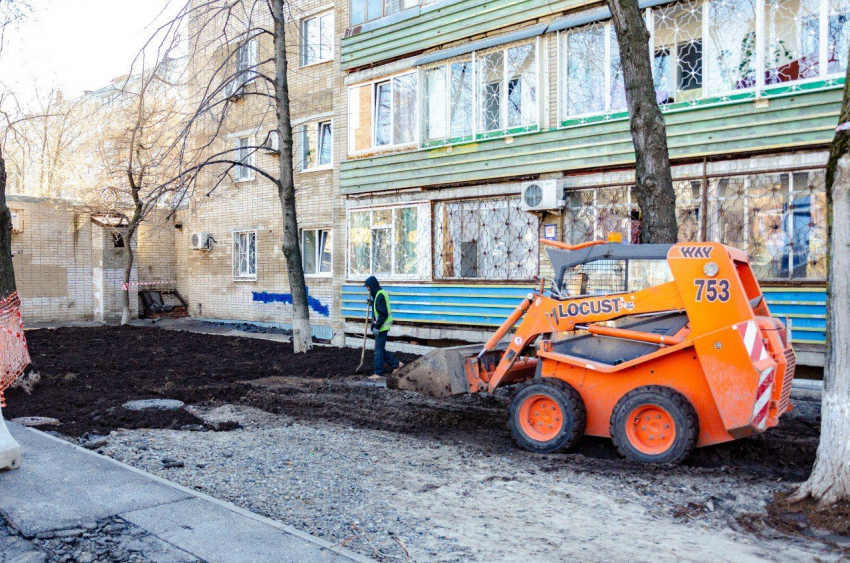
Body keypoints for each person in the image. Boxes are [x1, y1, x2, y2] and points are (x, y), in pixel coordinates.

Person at [364, 276, 400, 379]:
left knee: (378, 351)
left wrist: (377, 327)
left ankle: (378, 373)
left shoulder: (379, 295)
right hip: (382, 326)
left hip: (382, 327)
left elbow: (383, 313)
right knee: (380, 349)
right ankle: (396, 364)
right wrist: (371, 303)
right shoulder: (378, 294)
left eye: (367, 287)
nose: (367, 289)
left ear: (372, 286)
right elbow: (379, 307)